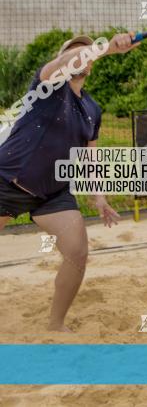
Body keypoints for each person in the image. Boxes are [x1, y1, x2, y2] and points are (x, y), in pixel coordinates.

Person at [0, 33, 138, 331]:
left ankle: (55, 326)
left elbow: (91, 159)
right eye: (76, 51)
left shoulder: (92, 109)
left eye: (86, 52)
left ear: (91, 68)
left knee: (77, 252)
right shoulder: (47, 85)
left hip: (52, 193)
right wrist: (103, 47)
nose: (82, 56)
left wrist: (99, 196)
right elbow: (63, 63)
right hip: (8, 181)